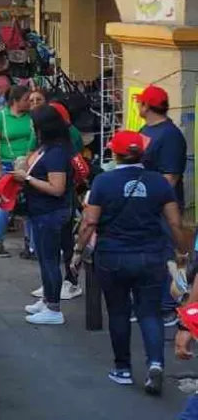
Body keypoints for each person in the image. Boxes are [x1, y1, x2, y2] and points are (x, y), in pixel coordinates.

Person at [74, 131, 188, 395]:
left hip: (112, 255)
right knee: (150, 312)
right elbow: (174, 222)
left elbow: (90, 222)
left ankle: (123, 369)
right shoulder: (159, 183)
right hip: (151, 256)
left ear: (115, 153)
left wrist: (78, 251)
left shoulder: (103, 181)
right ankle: (156, 363)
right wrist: (182, 252)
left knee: (118, 311)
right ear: (143, 153)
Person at [15, 105, 75, 325]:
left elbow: (57, 187)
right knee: (43, 257)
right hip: (40, 211)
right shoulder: (47, 148)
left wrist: (28, 179)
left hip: (50, 212)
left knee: (49, 259)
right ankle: (48, 298)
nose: (32, 128)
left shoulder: (57, 153)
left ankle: (53, 307)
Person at [137, 84, 188, 326]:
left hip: (163, 207)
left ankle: (169, 307)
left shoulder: (170, 136)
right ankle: (151, 304)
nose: (138, 105)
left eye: (141, 102)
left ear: (148, 106)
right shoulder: (147, 129)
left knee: (167, 257)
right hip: (147, 204)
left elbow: (170, 178)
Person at [0, 85, 35, 258]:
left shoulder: (31, 117)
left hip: (29, 165)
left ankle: (31, 245)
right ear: (15, 101)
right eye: (26, 99)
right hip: (7, 165)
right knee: (5, 204)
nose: (29, 102)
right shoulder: (0, 117)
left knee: (30, 205)